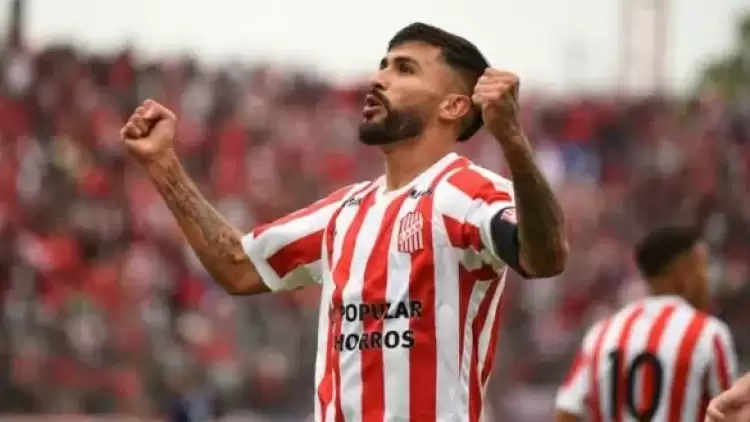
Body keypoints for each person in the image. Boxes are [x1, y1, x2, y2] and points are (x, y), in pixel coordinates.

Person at [120, 22, 568, 422]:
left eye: (405, 69)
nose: (378, 79)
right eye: (382, 66)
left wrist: (512, 140)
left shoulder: (466, 192)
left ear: (453, 106)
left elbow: (544, 256)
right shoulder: (345, 211)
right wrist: (163, 165)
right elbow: (238, 265)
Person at [555, 227, 738, 422]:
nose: (708, 279)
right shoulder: (708, 333)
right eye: (704, 266)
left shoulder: (602, 334)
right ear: (684, 272)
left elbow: (566, 410)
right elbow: (731, 412)